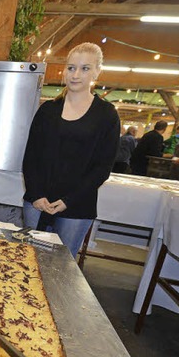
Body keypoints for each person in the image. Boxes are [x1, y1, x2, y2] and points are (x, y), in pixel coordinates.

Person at [22, 42, 120, 258]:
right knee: (28, 262)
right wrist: (36, 194)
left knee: (61, 269)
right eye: (71, 67)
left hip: (77, 207)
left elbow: (102, 168)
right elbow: (31, 156)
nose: (76, 74)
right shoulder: (47, 110)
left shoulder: (107, 115)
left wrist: (69, 200)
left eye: (85, 68)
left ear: (97, 71)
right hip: (37, 203)